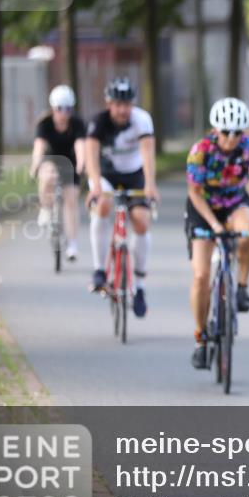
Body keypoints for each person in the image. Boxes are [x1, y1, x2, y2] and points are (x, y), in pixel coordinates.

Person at [184, 97, 249, 369]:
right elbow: (194, 193)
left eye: (237, 133)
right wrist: (215, 226)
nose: (231, 139)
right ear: (215, 130)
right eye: (226, 132)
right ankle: (200, 337)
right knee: (200, 275)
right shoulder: (201, 151)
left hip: (233, 203)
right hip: (203, 208)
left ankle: (241, 286)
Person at [85, 77, 159, 318]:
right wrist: (95, 186)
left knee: (141, 220)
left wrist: (150, 185)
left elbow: (147, 153)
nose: (122, 110)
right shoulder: (98, 123)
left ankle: (139, 286)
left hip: (134, 174)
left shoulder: (142, 120)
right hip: (106, 173)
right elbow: (91, 158)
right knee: (104, 204)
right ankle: (99, 269)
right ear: (109, 104)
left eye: (127, 105)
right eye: (118, 104)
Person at [30, 85, 85, 261]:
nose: (64, 113)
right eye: (60, 109)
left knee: (71, 201)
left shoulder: (77, 124)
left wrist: (82, 164)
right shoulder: (44, 123)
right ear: (53, 108)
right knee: (47, 176)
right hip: (51, 160)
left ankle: (73, 245)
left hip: (71, 164)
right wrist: (35, 166)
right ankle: (46, 208)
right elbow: (39, 147)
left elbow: (80, 146)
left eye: (68, 108)